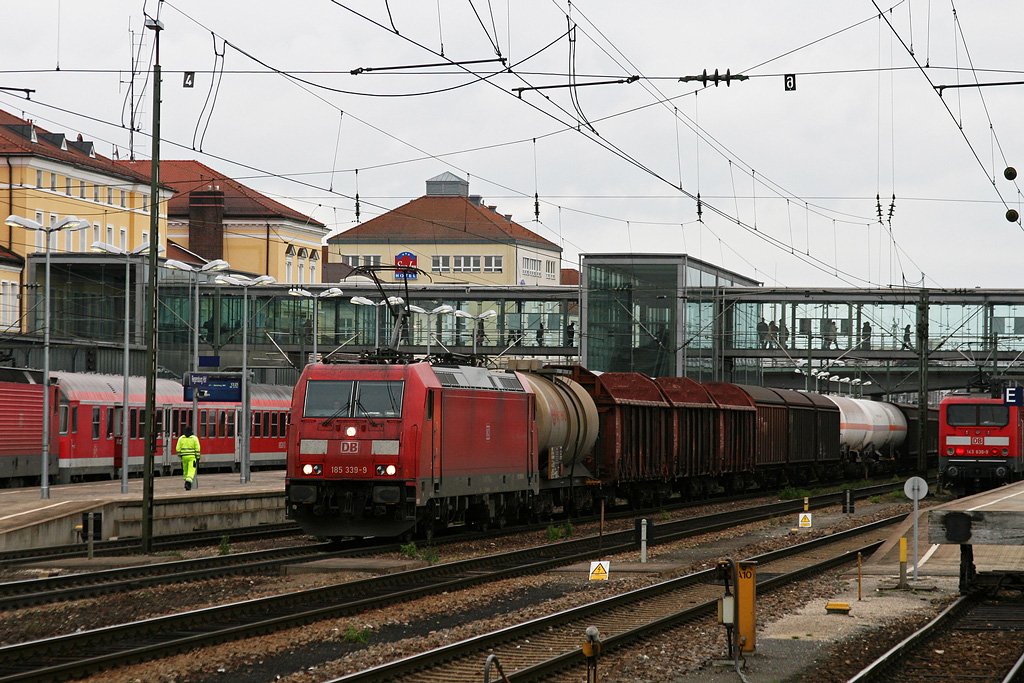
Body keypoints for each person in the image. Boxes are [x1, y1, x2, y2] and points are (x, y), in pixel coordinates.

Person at [176, 425, 201, 491]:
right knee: (191, 470)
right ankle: (188, 483)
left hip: (184, 457)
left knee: (185, 470)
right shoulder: (194, 438)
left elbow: (178, 449)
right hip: (192, 458)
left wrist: (180, 456)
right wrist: (198, 457)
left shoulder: (181, 438)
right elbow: (197, 449)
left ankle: (186, 481)